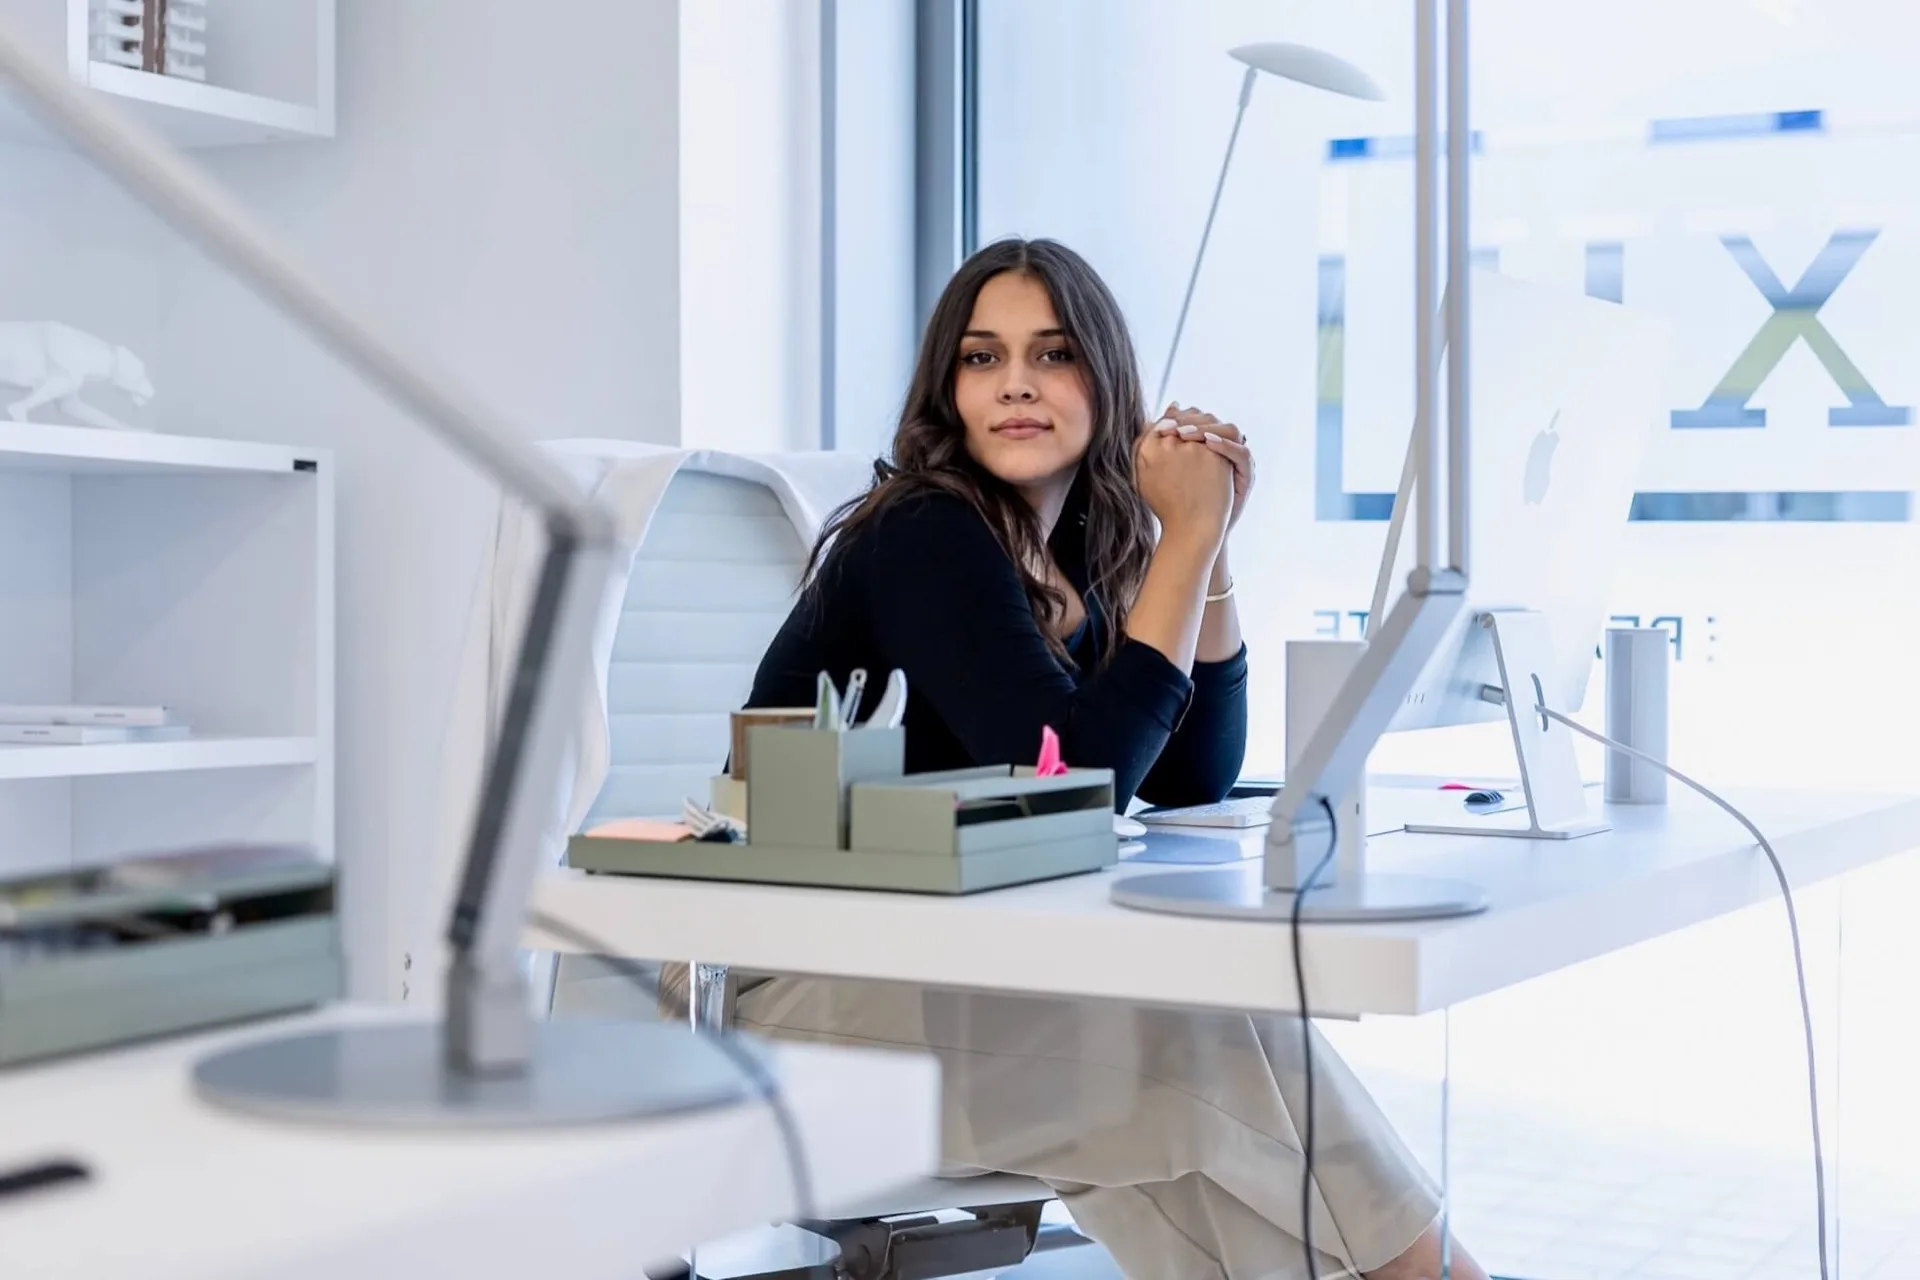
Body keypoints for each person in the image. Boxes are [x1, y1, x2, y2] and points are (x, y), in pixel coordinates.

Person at [735, 238, 1487, 1280]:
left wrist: (1206, 549)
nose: (1015, 387)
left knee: (1202, 1134)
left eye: (1051, 355)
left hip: (957, 984)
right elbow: (1079, 785)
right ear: (946, 389)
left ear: (1105, 376)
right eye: (981, 358)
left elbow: (1190, 775)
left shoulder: (1066, 554)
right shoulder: (927, 533)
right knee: (1200, 1034)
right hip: (810, 1005)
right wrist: (1184, 539)